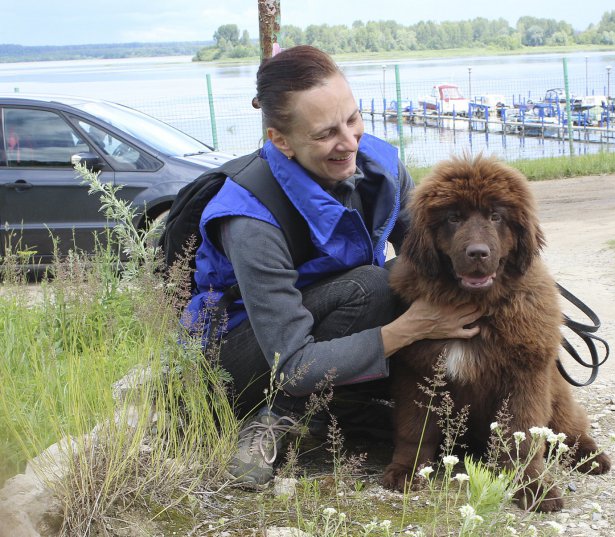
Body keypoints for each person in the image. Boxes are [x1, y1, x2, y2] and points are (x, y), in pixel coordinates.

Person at [184, 45, 482, 488]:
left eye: (353, 119)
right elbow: (292, 361)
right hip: (242, 356)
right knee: (373, 285)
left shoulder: (381, 167)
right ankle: (271, 419)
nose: (349, 143)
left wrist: (504, 284)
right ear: (280, 140)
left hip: (332, 323)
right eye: (325, 134)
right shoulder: (250, 219)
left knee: (398, 278)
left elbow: (428, 255)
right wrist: (411, 329)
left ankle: (347, 403)